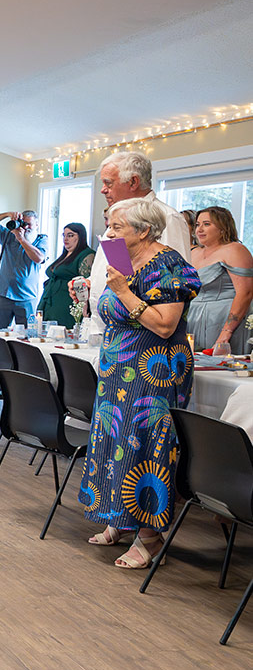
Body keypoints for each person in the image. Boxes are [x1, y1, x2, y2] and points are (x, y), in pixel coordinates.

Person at [77, 198, 200, 568]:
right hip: (117, 373)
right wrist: (86, 298)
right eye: (109, 226)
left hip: (153, 372)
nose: (109, 234)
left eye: (117, 227)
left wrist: (125, 291)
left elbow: (164, 324)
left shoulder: (169, 265)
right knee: (115, 440)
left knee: (145, 446)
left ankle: (151, 537)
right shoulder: (123, 262)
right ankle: (120, 519)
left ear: (144, 230)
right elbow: (113, 315)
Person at [78, 152, 192, 337]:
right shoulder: (118, 219)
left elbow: (173, 288)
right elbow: (124, 271)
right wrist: (94, 285)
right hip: (107, 332)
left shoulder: (167, 218)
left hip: (143, 338)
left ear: (133, 182)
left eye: (108, 183)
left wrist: (122, 291)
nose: (103, 190)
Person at [186, 206, 253, 354]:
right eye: (197, 225)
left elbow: (246, 293)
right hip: (193, 318)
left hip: (223, 319)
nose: (199, 229)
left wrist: (226, 332)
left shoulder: (235, 250)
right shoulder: (193, 252)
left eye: (207, 224)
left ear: (223, 227)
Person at [0, 210, 47, 328]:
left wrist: (22, 240)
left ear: (37, 225)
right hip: (5, 293)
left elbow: (39, 258)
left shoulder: (41, 240)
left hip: (27, 297)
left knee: (27, 336)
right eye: (23, 223)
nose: (25, 227)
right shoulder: (9, 235)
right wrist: (7, 214)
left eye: (29, 224)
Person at [35, 223, 95, 327]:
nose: (66, 239)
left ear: (80, 237)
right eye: (64, 235)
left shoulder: (86, 254)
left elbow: (85, 285)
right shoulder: (64, 255)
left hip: (66, 305)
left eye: (70, 235)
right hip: (50, 301)